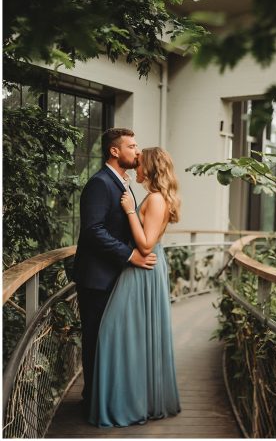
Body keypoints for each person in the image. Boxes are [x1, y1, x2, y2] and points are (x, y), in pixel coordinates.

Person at [89, 147, 182, 427]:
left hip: (143, 267)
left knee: (111, 332)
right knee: (132, 335)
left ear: (150, 168)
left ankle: (126, 403)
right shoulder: (154, 196)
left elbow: (145, 244)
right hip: (143, 266)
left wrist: (130, 211)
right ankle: (131, 399)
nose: (135, 167)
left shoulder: (154, 199)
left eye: (139, 163)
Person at [71, 128, 157, 406]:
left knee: (111, 342)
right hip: (97, 279)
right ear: (114, 151)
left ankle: (107, 398)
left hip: (115, 277)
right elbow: (93, 231)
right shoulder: (100, 183)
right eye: (132, 146)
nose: (137, 151)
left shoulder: (122, 182)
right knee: (96, 341)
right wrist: (130, 255)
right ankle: (93, 402)